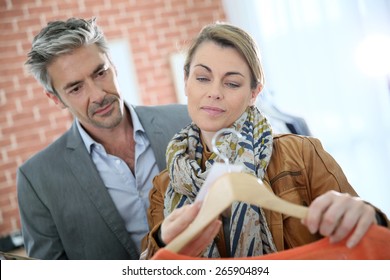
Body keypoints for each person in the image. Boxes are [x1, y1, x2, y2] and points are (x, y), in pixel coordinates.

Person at [141, 22, 390, 259]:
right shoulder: (163, 187)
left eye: (232, 83)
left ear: (253, 93)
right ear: (186, 81)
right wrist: (162, 243)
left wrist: (369, 218)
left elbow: (371, 244)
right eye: (203, 78)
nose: (214, 92)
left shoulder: (302, 154)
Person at [17, 17, 191, 260]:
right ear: (55, 99)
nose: (98, 95)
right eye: (76, 88)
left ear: (114, 66)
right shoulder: (37, 179)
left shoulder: (185, 120)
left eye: (100, 73)